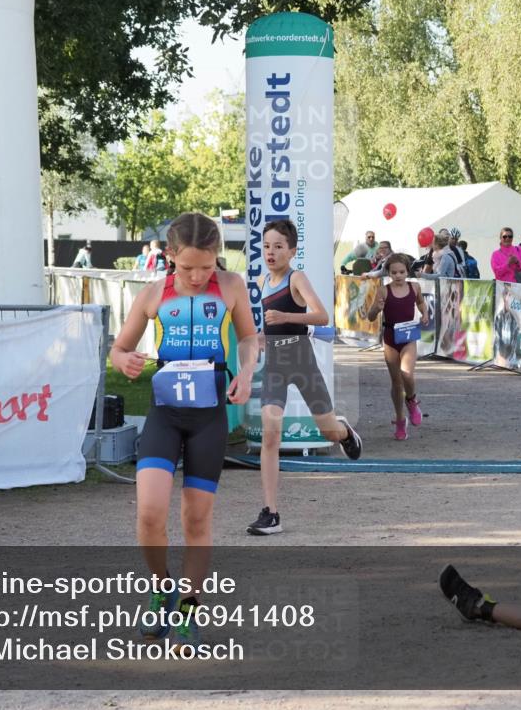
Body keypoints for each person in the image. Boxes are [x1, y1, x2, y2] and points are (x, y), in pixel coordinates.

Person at [110, 212, 258, 653]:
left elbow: (250, 338)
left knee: (196, 518)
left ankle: (190, 609)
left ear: (218, 259)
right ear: (170, 255)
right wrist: (123, 360)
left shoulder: (230, 288)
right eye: (187, 267)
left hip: (209, 417)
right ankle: (161, 590)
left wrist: (247, 372)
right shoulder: (152, 294)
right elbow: (119, 347)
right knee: (150, 514)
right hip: (165, 415)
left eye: (206, 267)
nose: (196, 276)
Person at [249, 219, 363, 536]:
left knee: (328, 432)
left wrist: (286, 316)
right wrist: (261, 336)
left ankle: (344, 432)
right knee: (270, 434)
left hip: (301, 359)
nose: (270, 252)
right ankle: (271, 513)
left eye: (278, 247)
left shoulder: (296, 278)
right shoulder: (261, 282)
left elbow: (321, 315)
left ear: (292, 250)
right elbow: (270, 326)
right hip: (274, 362)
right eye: (266, 246)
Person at [366, 253, 431, 441]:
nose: (398, 276)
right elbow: (370, 316)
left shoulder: (414, 287)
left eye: (402, 272)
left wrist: (424, 313)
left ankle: (411, 400)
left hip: (408, 336)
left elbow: (420, 302)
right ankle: (400, 419)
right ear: (388, 273)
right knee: (396, 382)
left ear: (407, 271)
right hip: (390, 337)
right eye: (394, 272)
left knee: (407, 373)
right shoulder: (383, 291)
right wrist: (377, 308)